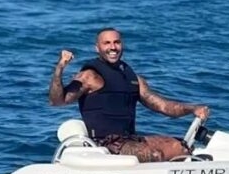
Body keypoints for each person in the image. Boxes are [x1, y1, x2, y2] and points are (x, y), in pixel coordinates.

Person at [48, 27, 210, 163]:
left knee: (178, 147)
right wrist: (60, 68)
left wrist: (192, 109)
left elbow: (162, 106)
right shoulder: (90, 76)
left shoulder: (132, 77)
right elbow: (57, 101)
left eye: (116, 42)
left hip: (130, 140)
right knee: (155, 154)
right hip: (105, 143)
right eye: (107, 43)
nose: (113, 47)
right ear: (97, 48)